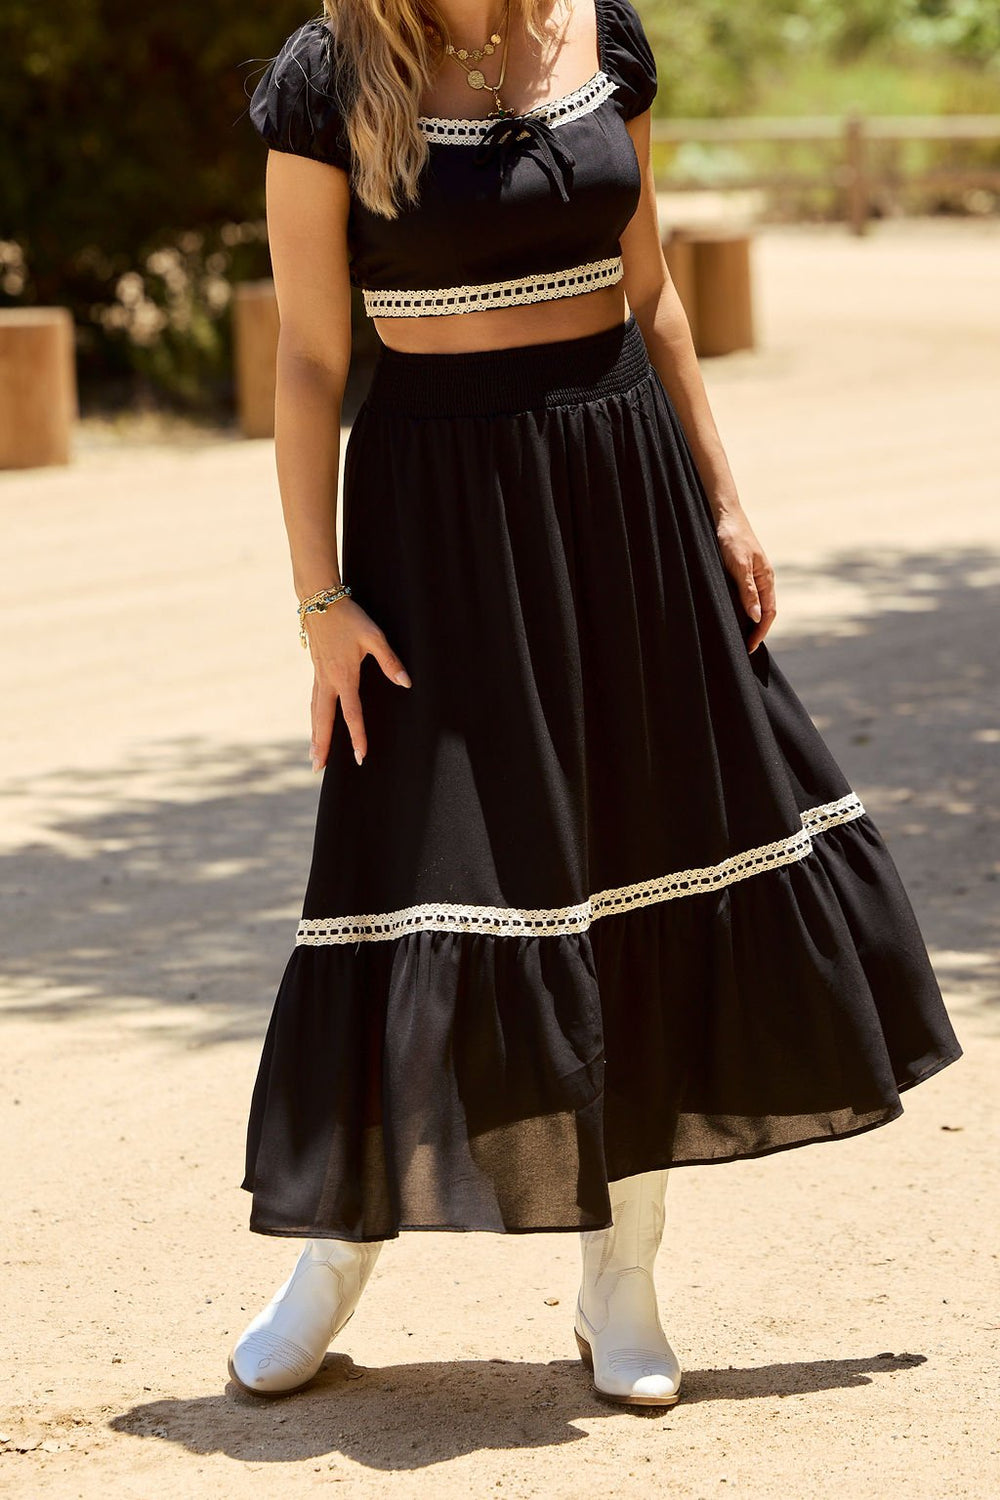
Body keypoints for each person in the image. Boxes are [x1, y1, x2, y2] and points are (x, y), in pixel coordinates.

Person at [228, 0, 962, 1409]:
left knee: (644, 852)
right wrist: (321, 601)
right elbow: (311, 359)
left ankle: (623, 1272)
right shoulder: (330, 76)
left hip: (622, 494)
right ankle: (335, 1251)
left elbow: (654, 289)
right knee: (414, 868)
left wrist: (726, 500)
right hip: (436, 524)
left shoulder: (601, 34)